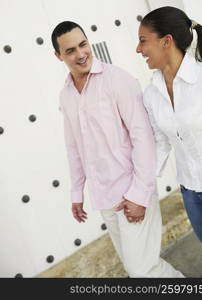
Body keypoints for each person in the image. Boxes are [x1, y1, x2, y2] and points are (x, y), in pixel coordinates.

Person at [51, 21, 184, 277]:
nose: (80, 54)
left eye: (83, 44)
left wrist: (139, 193)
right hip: (104, 196)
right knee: (136, 268)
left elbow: (143, 138)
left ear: (89, 42)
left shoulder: (118, 80)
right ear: (58, 56)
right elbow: (74, 147)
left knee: (143, 270)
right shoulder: (66, 95)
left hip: (131, 191)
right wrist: (77, 192)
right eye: (70, 51)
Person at [136, 6, 202, 250]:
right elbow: (160, 143)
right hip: (192, 194)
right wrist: (139, 189)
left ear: (166, 41)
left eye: (143, 41)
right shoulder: (150, 94)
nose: (138, 49)